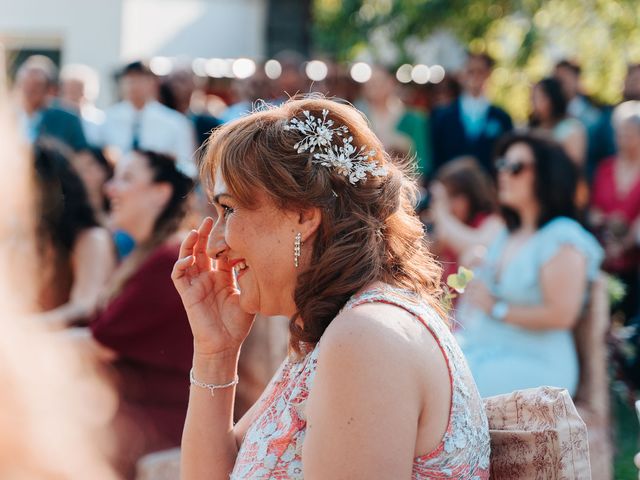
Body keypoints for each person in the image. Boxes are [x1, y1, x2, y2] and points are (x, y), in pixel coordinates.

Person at [173, 97, 490, 479]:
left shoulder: (364, 338)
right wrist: (216, 353)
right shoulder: (331, 334)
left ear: (304, 215)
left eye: (229, 209)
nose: (214, 244)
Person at [70, 150, 194, 478]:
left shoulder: (168, 259)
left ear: (160, 193)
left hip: (153, 423)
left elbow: (98, 344)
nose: (110, 187)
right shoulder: (147, 255)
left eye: (125, 178)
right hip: (131, 411)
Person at [456, 132, 603, 398]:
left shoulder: (562, 236)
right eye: (502, 165)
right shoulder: (506, 233)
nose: (503, 174)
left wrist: (497, 309)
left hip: (537, 364)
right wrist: (476, 263)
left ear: (547, 175)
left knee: (451, 385)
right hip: (488, 347)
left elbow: (562, 315)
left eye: (516, 167)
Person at [33, 141, 115, 328]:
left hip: (68, 345)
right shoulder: (33, 235)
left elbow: (83, 307)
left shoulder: (92, 237)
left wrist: (18, 329)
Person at [102, 61, 196, 176]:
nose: (134, 86)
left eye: (140, 80)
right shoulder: (107, 119)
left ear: (153, 83)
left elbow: (187, 166)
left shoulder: (175, 122)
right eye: (129, 80)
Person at [591, 101, 640, 320]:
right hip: (603, 256)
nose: (623, 139)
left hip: (635, 261)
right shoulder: (605, 167)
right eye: (620, 133)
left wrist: (624, 244)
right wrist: (605, 220)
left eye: (630, 133)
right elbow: (592, 209)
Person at [430, 52, 513, 173]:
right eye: (470, 71)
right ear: (462, 75)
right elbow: (436, 158)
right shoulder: (442, 116)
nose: (475, 77)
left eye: (480, 71)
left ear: (488, 74)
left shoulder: (501, 118)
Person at [428, 156, 503, 281]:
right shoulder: (444, 228)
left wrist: (441, 212)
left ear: (471, 194)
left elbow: (478, 245)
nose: (448, 205)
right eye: (445, 198)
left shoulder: (494, 222)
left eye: (452, 197)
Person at [357, 66, 431, 178]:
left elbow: (422, 161)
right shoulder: (360, 119)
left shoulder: (414, 119)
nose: (374, 87)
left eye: (379, 82)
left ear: (391, 83)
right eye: (370, 83)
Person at [13, 55, 88, 151]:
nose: (29, 90)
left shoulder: (67, 120)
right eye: (25, 84)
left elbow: (82, 155)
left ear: (50, 90)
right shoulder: (7, 118)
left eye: (36, 85)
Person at [530, 77, 587, 168]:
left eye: (540, 98)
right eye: (533, 98)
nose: (535, 104)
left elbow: (575, 166)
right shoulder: (532, 130)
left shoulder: (572, 129)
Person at [159, 67, 222, 148]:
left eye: (181, 79)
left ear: (194, 84)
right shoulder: (160, 120)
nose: (175, 85)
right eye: (172, 81)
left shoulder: (209, 124)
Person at [60, 63, 106, 147]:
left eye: (76, 92)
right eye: (67, 92)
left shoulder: (101, 122)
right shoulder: (56, 120)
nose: (70, 97)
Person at [70, 147, 114, 224]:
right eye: (78, 169)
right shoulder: (72, 219)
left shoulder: (118, 209)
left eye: (89, 165)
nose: (82, 174)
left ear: (104, 169)